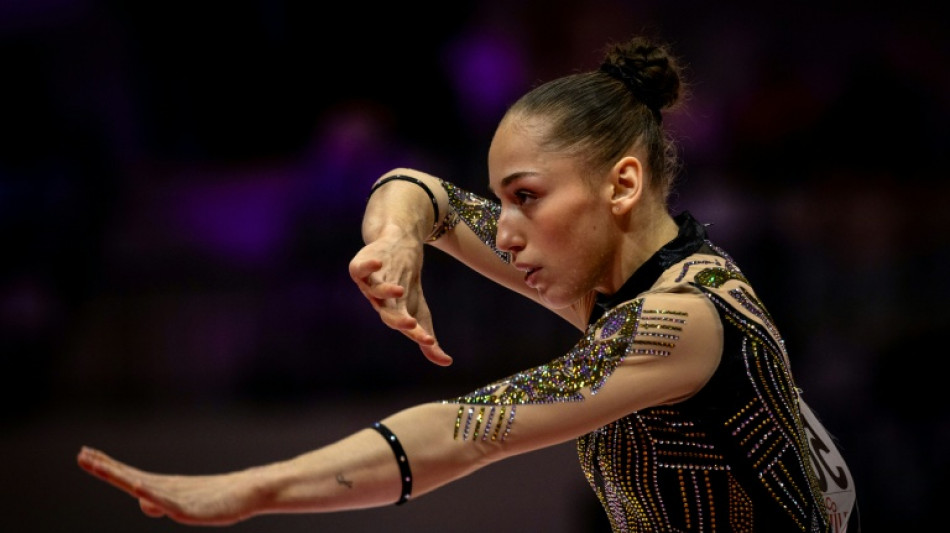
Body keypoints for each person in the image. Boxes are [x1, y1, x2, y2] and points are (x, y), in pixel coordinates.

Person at [77, 35, 857, 531]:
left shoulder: (683, 321)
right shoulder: (626, 284)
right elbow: (422, 189)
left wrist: (251, 488)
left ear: (622, 186)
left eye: (526, 197)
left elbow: (462, 430)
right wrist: (395, 238)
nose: (506, 230)